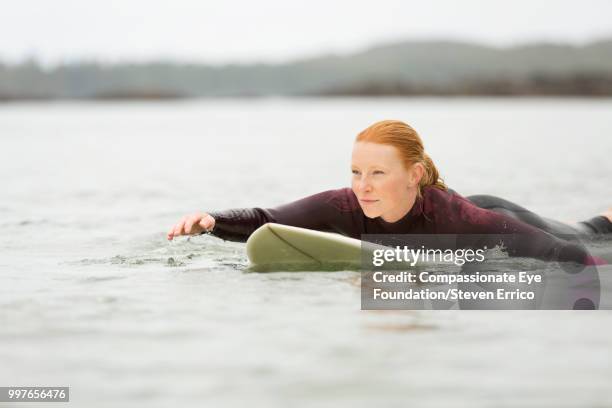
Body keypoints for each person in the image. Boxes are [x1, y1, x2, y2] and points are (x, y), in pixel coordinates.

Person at [167, 120, 611, 264]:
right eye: (356, 171)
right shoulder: (343, 203)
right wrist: (211, 220)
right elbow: (268, 220)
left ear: (414, 175)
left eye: (378, 173)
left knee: (586, 234)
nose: (363, 186)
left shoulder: (459, 219)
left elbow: (559, 255)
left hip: (501, 216)